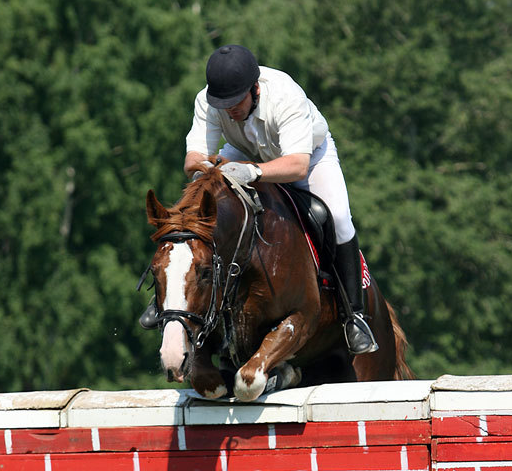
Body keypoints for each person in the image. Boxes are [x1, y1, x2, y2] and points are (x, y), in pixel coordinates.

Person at [140, 44, 377, 355]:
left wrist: (252, 172)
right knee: (199, 203)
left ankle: (354, 315)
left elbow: (296, 166)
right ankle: (171, 294)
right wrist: (212, 173)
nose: (230, 110)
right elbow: (193, 161)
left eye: (236, 103)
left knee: (338, 216)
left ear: (255, 89)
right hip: (244, 154)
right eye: (223, 104)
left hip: (307, 155)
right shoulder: (208, 101)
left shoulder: (285, 96)